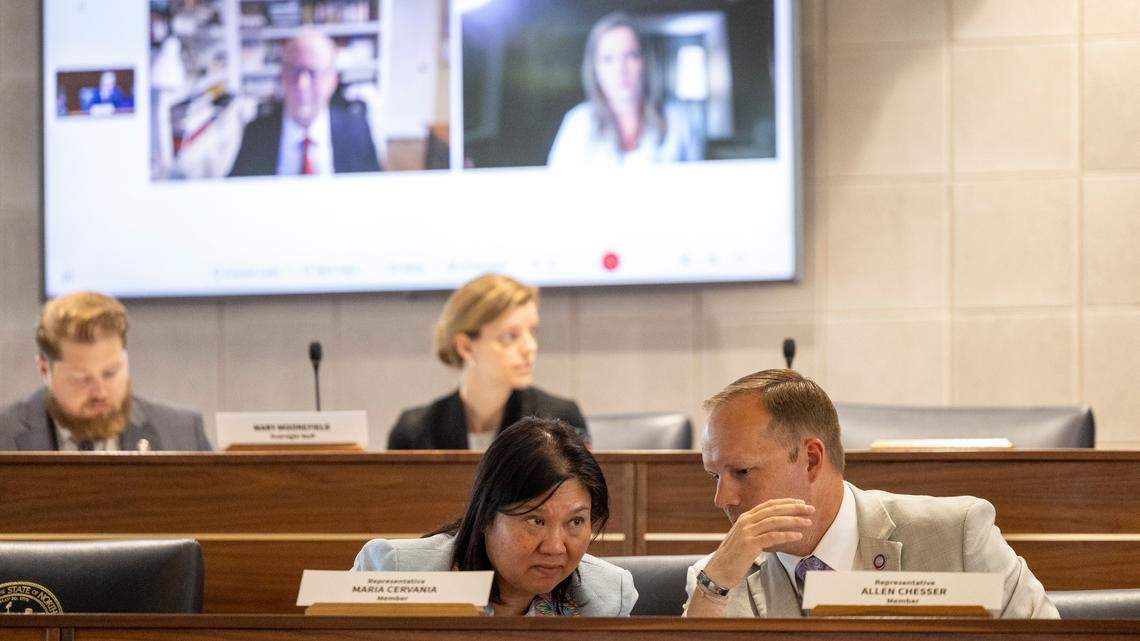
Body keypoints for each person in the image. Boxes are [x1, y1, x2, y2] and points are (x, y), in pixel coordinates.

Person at [684, 369, 1058, 619]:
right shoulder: (715, 580)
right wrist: (712, 589)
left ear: (812, 460)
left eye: (743, 472)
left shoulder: (955, 536)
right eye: (715, 475)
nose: (723, 498)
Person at [356, 417, 636, 615]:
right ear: (485, 517)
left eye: (575, 522)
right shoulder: (392, 570)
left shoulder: (609, 596)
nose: (554, 547)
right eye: (535, 521)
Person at [387, 274, 588, 450]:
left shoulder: (561, 421)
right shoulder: (414, 432)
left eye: (532, 331)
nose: (530, 347)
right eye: (510, 336)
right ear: (466, 347)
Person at [0, 292, 211, 451]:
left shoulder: (183, 433)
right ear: (44, 369)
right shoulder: (5, 435)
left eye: (111, 373)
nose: (100, 392)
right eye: (81, 379)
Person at [547, 12, 701, 167]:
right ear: (595, 69)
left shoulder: (677, 121)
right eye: (608, 59)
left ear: (645, 62)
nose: (620, 69)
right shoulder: (578, 124)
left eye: (630, 56)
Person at [229, 29, 381, 177]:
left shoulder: (356, 130)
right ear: (281, 77)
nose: (302, 85)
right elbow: (234, 191)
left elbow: (373, 192)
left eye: (314, 73)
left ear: (332, 81)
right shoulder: (257, 132)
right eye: (294, 71)